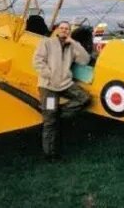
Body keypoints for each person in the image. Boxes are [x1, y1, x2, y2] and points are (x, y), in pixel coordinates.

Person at [33, 20, 92, 162]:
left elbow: (85, 60)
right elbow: (37, 61)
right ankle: (50, 155)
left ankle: (56, 114)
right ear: (57, 30)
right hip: (48, 86)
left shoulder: (71, 46)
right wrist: (49, 75)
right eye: (62, 28)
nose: (64, 31)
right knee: (49, 123)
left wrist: (74, 42)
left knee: (84, 98)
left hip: (65, 84)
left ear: (69, 32)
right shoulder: (47, 42)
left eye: (67, 29)